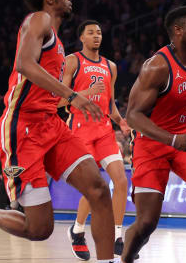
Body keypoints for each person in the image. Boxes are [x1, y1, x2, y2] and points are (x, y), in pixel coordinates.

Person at [0, 0, 115, 261]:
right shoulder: (38, 19)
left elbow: (47, 89)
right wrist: (73, 95)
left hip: (51, 125)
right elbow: (24, 64)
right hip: (21, 129)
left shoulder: (58, 41)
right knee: (40, 228)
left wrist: (79, 96)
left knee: (99, 190)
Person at [122, 6, 186, 263]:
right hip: (152, 142)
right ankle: (126, 256)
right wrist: (170, 139)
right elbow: (133, 116)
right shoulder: (156, 67)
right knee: (147, 223)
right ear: (178, 31)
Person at [60, 20, 132, 260]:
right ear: (82, 37)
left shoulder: (110, 66)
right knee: (94, 187)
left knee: (121, 181)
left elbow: (110, 103)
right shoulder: (72, 61)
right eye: (91, 32)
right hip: (79, 130)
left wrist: (120, 121)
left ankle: (117, 234)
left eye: (99, 32)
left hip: (104, 130)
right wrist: (86, 94)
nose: (96, 36)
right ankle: (77, 230)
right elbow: (58, 100)